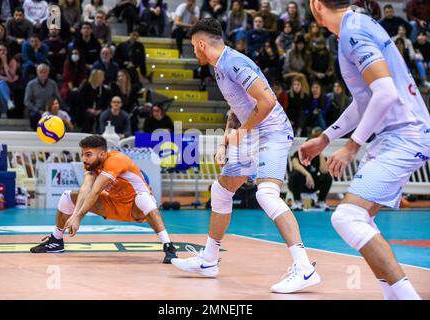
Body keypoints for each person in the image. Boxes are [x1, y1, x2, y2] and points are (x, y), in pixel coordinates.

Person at [170, 18, 321, 294]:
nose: (194, 52)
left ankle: (304, 268)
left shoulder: (234, 62)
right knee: (220, 191)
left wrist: (242, 133)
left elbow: (268, 101)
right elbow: (236, 109)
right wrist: (227, 141)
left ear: (202, 44)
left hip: (272, 131)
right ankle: (208, 260)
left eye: (194, 47)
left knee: (266, 195)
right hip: (250, 134)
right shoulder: (218, 69)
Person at [300, 0, 430, 300]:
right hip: (398, 134)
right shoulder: (356, 26)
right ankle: (393, 295)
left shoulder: (354, 33)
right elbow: (365, 101)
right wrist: (324, 138)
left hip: (404, 135)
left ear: (316, 5)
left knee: (347, 217)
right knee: (359, 219)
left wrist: (351, 147)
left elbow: (385, 92)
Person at [29, 135, 178, 264]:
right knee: (68, 196)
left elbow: (95, 191)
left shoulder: (116, 160)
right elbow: (86, 188)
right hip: (113, 204)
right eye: (83, 154)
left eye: (88, 154)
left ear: (102, 154)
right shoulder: (90, 165)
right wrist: (74, 215)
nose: (84, 159)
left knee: (143, 198)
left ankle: (168, 246)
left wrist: (78, 217)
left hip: (135, 207)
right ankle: (56, 240)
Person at [288, 127, 332, 211]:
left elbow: (324, 170)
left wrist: (320, 153)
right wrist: (307, 174)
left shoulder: (318, 155)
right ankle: (297, 202)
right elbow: (295, 165)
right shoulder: (298, 153)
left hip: (312, 185)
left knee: (327, 177)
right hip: (298, 184)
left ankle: (320, 202)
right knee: (295, 175)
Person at [24, 63, 61, 130]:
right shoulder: (31, 84)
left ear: (48, 73)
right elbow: (27, 101)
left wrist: (54, 107)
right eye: (41, 72)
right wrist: (37, 110)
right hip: (36, 109)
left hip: (50, 109)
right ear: (37, 72)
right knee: (33, 116)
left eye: (45, 72)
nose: (43, 74)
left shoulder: (53, 84)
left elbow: (58, 97)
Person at [0, 43, 19, 114]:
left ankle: (4, 112)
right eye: (0, 50)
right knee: (2, 82)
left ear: (7, 51)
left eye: (4, 50)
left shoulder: (13, 61)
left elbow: (10, 75)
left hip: (10, 85)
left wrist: (5, 63)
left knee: (2, 89)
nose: (2, 52)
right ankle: (9, 101)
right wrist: (8, 79)